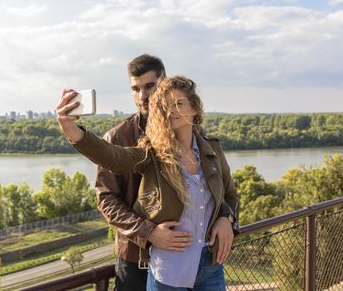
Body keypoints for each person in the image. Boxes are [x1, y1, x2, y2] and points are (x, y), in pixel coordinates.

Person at [57, 76, 239, 290]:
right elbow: (113, 156)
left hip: (211, 266)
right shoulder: (152, 154)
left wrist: (227, 219)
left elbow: (230, 196)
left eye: (178, 103)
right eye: (164, 107)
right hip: (169, 270)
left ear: (194, 109)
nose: (171, 111)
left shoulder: (212, 151)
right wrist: (73, 131)